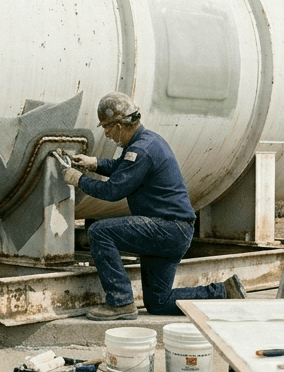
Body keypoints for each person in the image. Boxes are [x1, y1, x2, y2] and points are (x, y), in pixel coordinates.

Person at [61, 92, 247, 320]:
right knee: (158, 302)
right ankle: (224, 292)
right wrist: (94, 164)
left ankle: (120, 302)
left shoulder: (141, 150)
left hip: (167, 229)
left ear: (119, 125)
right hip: (174, 230)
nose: (107, 134)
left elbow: (113, 191)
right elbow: (123, 166)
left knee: (100, 232)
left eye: (107, 127)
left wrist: (78, 179)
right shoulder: (147, 141)